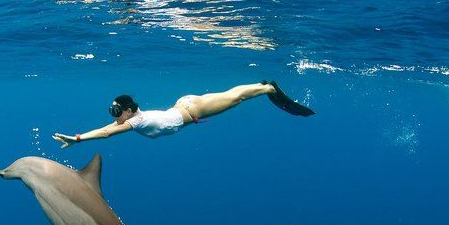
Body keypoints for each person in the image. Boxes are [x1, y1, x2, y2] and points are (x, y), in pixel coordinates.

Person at [52, 81, 314, 148]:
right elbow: (106, 128)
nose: (114, 116)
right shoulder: (132, 118)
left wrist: (77, 139)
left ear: (129, 110)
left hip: (192, 109)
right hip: (183, 105)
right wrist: (81, 136)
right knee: (231, 95)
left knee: (237, 97)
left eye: (117, 112)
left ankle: (267, 87)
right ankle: (262, 85)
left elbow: (108, 133)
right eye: (113, 112)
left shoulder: (135, 121)